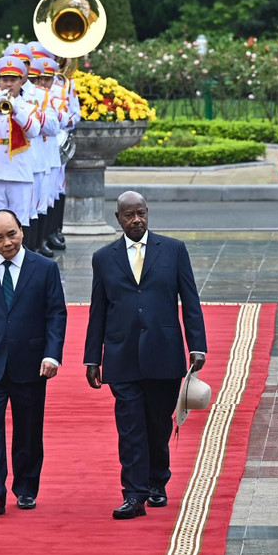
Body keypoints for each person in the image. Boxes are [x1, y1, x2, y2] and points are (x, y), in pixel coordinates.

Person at [83, 191, 207, 519]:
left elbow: (190, 301)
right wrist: (92, 357)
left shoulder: (174, 250)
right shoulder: (104, 258)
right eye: (129, 215)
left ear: (148, 213)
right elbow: (98, 311)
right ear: (118, 219)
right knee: (130, 428)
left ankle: (157, 482)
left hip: (164, 355)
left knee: (156, 424)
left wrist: (198, 346)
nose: (136, 220)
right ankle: (133, 494)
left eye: (141, 213)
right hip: (121, 356)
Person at [0, 209, 67, 514]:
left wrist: (52, 355)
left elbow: (56, 314)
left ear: (22, 231)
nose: (7, 242)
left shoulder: (44, 268)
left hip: (31, 364)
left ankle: (26, 488)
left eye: (12, 234)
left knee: (28, 428)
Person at [0, 57, 41, 242]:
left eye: (13, 79)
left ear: (21, 81)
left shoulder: (27, 106)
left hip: (19, 170)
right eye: (4, 79)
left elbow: (34, 130)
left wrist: (16, 112)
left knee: (20, 219)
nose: (8, 84)